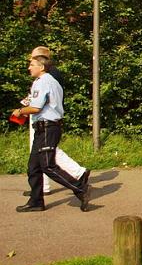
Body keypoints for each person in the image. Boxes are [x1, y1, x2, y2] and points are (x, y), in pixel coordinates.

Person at [12, 55, 92, 212]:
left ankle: (80, 188)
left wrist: (20, 111)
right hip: (45, 128)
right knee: (33, 167)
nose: (29, 67)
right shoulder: (52, 81)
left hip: (48, 128)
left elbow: (36, 108)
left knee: (48, 165)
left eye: (32, 64)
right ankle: (36, 201)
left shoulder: (42, 82)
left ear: (41, 67)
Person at [24, 47, 88, 196]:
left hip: (47, 122)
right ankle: (36, 198)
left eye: (32, 61)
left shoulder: (48, 77)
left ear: (42, 61)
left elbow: (39, 103)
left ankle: (79, 178)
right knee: (36, 164)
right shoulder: (46, 77)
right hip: (44, 121)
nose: (29, 65)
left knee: (48, 162)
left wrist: (22, 110)